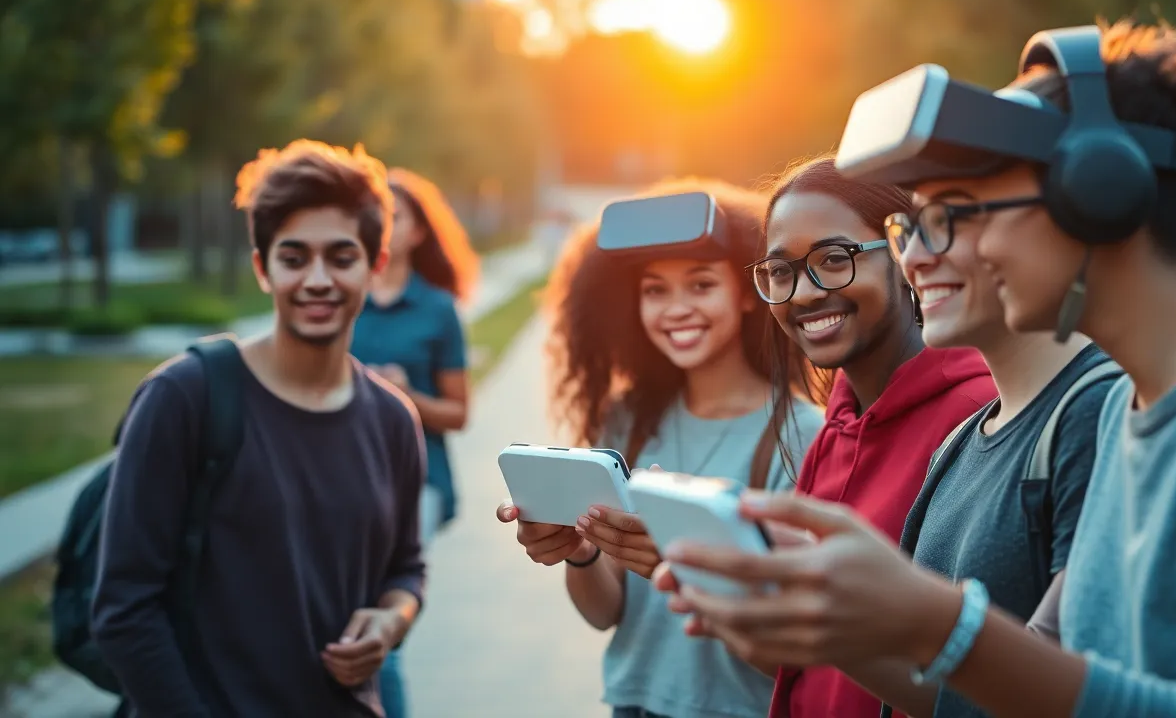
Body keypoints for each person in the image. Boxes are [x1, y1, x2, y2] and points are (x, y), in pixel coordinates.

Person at [653, 21, 1176, 718]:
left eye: (960, 214)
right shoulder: (1121, 412)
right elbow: (1013, 693)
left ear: (1097, 197)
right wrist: (833, 621)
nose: (925, 258)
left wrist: (936, 620)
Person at [91, 140, 427, 718]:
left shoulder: (395, 420)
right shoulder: (183, 398)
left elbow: (406, 569)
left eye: (340, 257)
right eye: (293, 258)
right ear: (261, 268)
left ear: (375, 265)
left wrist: (391, 621)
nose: (317, 279)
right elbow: (123, 609)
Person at [497, 178, 826, 718]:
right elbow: (607, 614)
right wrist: (579, 552)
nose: (676, 309)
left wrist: (682, 569)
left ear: (748, 292)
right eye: (655, 290)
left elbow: (796, 657)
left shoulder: (801, 436)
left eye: (701, 286)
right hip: (632, 704)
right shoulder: (626, 423)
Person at [742, 156, 997, 718]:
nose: (802, 294)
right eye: (780, 271)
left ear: (905, 253)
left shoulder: (978, 418)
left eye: (834, 260)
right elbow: (810, 667)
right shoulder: (836, 427)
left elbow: (981, 680)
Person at [868, 170, 1120, 718]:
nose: (912, 258)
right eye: (907, 229)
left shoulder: (1098, 414)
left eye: (944, 222)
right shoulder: (959, 442)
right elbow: (941, 694)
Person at [350, 167, 478, 718]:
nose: (384, 223)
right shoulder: (340, 295)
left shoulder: (437, 309)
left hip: (417, 483)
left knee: (384, 633)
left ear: (418, 232)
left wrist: (405, 396)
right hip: (342, 480)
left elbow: (458, 414)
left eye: (396, 215)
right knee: (343, 622)